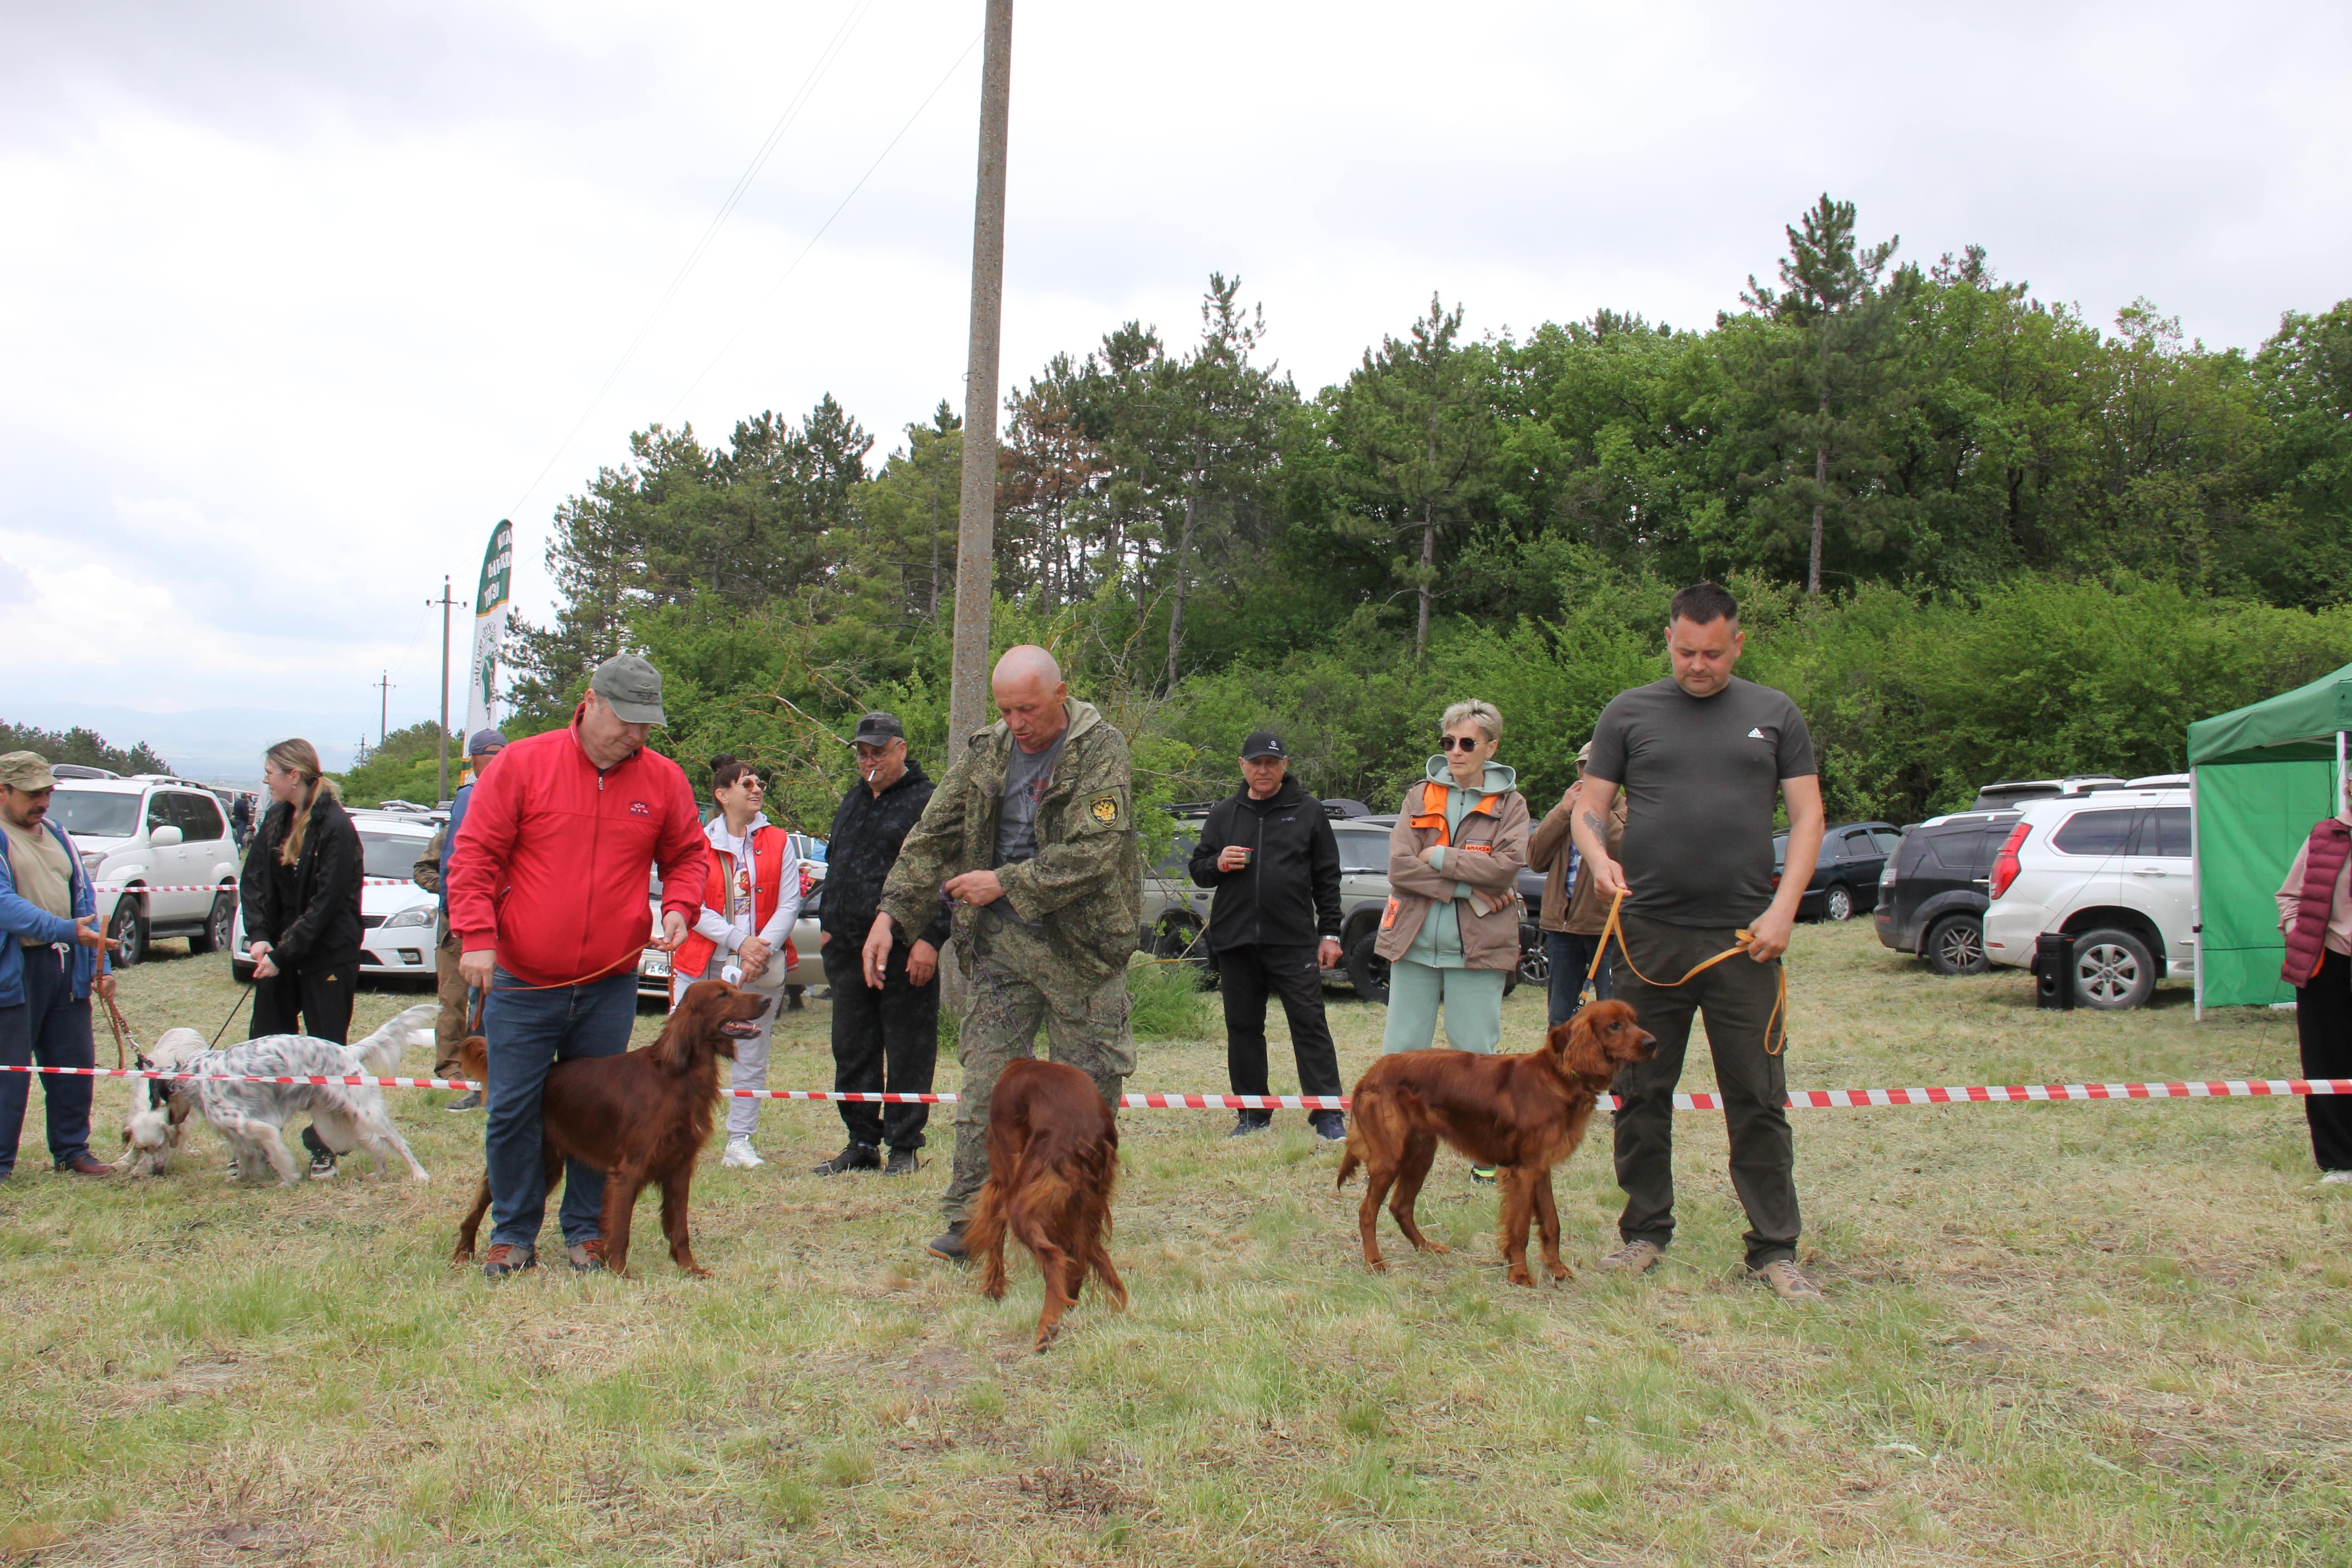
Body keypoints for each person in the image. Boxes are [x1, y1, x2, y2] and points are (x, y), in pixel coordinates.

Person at [1573, 581, 1827, 1304]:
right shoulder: (1629, 712)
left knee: (1758, 1098)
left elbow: (1809, 817)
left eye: (1713, 654)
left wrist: (1784, 910)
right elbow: (1590, 806)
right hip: (1648, 938)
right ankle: (1644, 1233)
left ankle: (1774, 1249)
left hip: (1746, 941)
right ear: (1669, 640)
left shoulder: (1775, 714)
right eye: (1686, 652)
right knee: (1640, 1092)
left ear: (1737, 645)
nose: (1698, 666)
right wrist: (1598, 859)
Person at [867, 645, 1140, 1263]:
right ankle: (972, 1220)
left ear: (1060, 694)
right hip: (1000, 948)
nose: (1017, 723)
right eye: (1007, 710)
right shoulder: (987, 749)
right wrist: (891, 915)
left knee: (1086, 1099)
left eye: (1028, 710)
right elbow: (932, 835)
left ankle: (1075, 1222)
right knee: (986, 1088)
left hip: (1084, 951)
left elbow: (1095, 852)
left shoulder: (1101, 749)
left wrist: (1005, 881)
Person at [447, 654, 708, 1278]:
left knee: (603, 1111)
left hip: (609, 982)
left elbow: (688, 855)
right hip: (521, 977)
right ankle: (514, 1235)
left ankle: (588, 1234)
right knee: (513, 1108)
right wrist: (477, 935)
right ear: (590, 702)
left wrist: (679, 905)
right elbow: (475, 856)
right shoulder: (522, 764)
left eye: (647, 725)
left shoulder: (664, 780)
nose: (636, 735)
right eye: (626, 720)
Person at [1373, 701, 1530, 1183]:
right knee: (1402, 1052)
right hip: (1413, 943)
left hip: (1479, 950)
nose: (1456, 751)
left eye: (1467, 743)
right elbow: (1399, 869)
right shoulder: (1418, 795)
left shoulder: (1512, 805)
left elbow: (1505, 870)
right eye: (1448, 742)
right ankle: (1394, 1143)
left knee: (1476, 1056)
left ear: (1491, 748)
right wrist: (1467, 888)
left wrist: (1439, 856)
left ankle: (1486, 1151)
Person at [1187, 730, 1347, 1141]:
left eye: (1271, 763)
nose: (1263, 770)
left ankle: (1327, 1113)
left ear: (1284, 766)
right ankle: (1253, 1113)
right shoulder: (1225, 813)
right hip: (1236, 939)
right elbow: (1199, 869)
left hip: (1293, 940)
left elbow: (1327, 877)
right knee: (1243, 1028)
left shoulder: (1308, 810)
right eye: (1255, 763)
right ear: (1242, 767)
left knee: (1309, 1023)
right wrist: (1218, 862)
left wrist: (1330, 932)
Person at [811, 712, 946, 1178]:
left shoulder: (928, 802)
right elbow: (836, 863)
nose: (869, 761)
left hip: (906, 948)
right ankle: (862, 1142)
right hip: (846, 947)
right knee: (852, 1048)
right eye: (862, 753)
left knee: (908, 1049)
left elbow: (947, 878)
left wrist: (931, 939)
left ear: (900, 750)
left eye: (878, 752)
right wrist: (828, 924)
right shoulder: (853, 799)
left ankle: (904, 1146)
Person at [238, 738, 365, 1179]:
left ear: (294, 775)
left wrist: (285, 951)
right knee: (264, 1049)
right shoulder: (276, 818)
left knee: (326, 1055)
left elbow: (326, 904)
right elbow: (254, 880)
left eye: (270, 773)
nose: (266, 782)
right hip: (281, 954)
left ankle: (325, 1146)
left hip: (327, 956)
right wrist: (260, 938)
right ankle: (258, 1146)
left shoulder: (336, 827)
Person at [671, 754, 801, 1170]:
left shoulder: (779, 841)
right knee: (682, 1048)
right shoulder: (697, 841)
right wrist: (739, 941)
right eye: (746, 784)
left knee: (751, 1052)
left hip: (759, 964)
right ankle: (674, 1130)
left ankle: (740, 1141)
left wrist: (759, 949)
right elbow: (693, 904)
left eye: (760, 783)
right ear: (722, 795)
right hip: (702, 963)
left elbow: (790, 903)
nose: (757, 789)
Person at [0, 752, 117, 1179]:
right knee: (9, 1072)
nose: (44, 802)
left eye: (48, 792)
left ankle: (73, 1151)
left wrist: (101, 966)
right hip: (14, 970)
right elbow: (5, 906)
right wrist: (65, 930)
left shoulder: (58, 834)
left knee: (74, 1063)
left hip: (65, 965)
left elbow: (84, 900)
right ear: (3, 791)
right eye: (33, 794)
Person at [414, 727, 506, 1110]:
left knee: (486, 1002)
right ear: (475, 759)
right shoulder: (465, 805)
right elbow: (430, 867)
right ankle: (454, 1071)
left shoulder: (510, 798)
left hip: (495, 923)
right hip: (456, 924)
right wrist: (453, 897)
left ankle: (481, 1077)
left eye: (502, 752)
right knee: (454, 1001)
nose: (497, 759)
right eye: (490, 753)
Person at [2276, 779, 2352, 1184]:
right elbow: (2289, 896)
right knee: (2327, 1062)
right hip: (2327, 963)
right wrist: (2297, 932)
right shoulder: (2324, 836)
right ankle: (2340, 1162)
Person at [1527, 740, 1627, 1028]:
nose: (1588, 775)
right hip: (1562, 927)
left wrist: (1599, 806)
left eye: (1596, 769)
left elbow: (1625, 851)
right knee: (1560, 1018)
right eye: (1583, 768)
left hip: (1607, 928)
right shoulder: (1567, 810)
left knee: (1616, 1017)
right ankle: (1561, 1058)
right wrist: (1562, 810)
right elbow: (1535, 859)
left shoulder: (1627, 810)